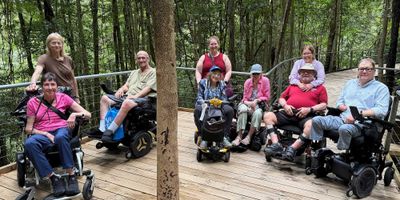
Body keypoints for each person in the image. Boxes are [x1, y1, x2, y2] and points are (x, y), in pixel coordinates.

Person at [283, 58, 390, 161]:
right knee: (316, 120)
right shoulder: (350, 84)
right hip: (342, 118)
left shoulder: (381, 88)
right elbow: (340, 101)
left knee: (344, 129)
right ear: (358, 70)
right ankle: (313, 147)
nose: (364, 71)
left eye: (368, 69)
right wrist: (340, 106)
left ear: (374, 71)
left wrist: (359, 114)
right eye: (361, 69)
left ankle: (344, 153)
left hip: (363, 124)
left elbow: (381, 110)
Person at [24, 72, 91, 197]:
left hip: (61, 129)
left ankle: (71, 175)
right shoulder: (32, 102)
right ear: (41, 87)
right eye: (46, 84)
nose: (50, 88)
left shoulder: (63, 98)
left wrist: (74, 114)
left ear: (57, 86)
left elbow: (87, 114)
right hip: (42, 133)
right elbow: (28, 129)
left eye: (52, 84)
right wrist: (45, 133)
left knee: (60, 137)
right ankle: (53, 178)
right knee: (29, 143)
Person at [263, 63, 328, 159]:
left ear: (314, 74)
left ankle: (292, 149)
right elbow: (281, 98)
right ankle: (276, 145)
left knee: (311, 125)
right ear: (299, 74)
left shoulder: (320, 88)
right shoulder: (293, 86)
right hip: (289, 113)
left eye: (308, 72)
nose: (305, 73)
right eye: (303, 72)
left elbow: (324, 105)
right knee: (267, 116)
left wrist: (309, 109)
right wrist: (285, 105)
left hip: (307, 115)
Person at [100, 50, 156, 143]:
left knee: (127, 102)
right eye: (139, 58)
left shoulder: (153, 72)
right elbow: (126, 86)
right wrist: (121, 90)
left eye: (143, 58)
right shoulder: (134, 72)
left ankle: (110, 131)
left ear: (148, 59)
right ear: (136, 60)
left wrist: (135, 97)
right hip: (128, 96)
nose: (141, 60)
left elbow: (148, 89)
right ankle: (102, 128)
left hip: (145, 99)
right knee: (105, 98)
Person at [27, 33, 80, 102]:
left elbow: (73, 79)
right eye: (53, 43)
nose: (56, 45)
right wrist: (33, 83)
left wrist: (77, 96)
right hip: (55, 96)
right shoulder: (44, 58)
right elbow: (37, 72)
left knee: (79, 112)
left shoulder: (68, 59)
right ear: (48, 45)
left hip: (71, 95)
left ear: (62, 45)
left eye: (59, 43)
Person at [194, 66, 234, 148]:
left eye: (219, 75)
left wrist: (220, 102)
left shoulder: (222, 84)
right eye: (215, 74)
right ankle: (203, 136)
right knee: (197, 110)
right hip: (206, 105)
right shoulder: (203, 83)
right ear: (210, 74)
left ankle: (224, 136)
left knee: (229, 110)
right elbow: (199, 97)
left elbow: (224, 98)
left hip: (219, 106)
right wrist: (205, 102)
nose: (216, 76)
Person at [232, 64, 270, 146]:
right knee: (242, 109)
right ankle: (239, 136)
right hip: (247, 103)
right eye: (253, 74)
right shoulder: (247, 82)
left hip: (259, 104)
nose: (255, 75)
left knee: (257, 113)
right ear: (251, 74)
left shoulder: (265, 81)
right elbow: (244, 98)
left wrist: (257, 100)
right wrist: (249, 104)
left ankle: (249, 136)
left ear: (261, 73)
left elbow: (267, 97)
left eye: (257, 73)